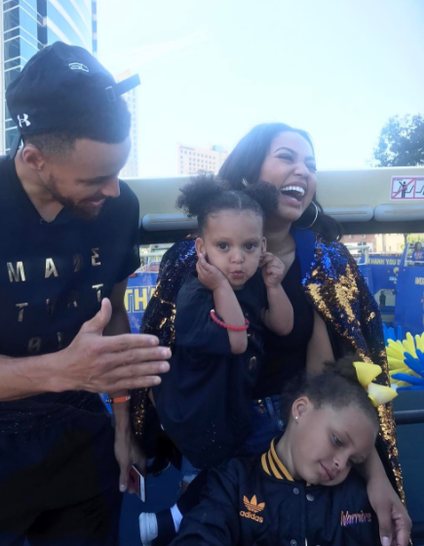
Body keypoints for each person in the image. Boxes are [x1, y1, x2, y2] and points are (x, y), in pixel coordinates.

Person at [137, 123, 411, 546]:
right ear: (250, 173)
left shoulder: (328, 262)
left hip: (297, 436)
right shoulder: (188, 260)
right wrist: (131, 430)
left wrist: (374, 472)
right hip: (211, 429)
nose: (302, 171)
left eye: (311, 164)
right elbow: (152, 351)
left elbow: (333, 377)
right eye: (287, 157)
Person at [0, 42, 170, 545]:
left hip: (80, 431)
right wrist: (64, 370)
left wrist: (123, 425)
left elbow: (114, 316)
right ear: (34, 158)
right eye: (97, 178)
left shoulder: (118, 208)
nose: (114, 192)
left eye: (118, 172)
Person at [140, 177, 293, 544]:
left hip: (231, 407)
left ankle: (172, 521)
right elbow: (237, 341)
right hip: (199, 413)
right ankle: (174, 523)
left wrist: (274, 286)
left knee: (239, 491)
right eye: (223, 246)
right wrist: (222, 287)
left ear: (263, 246)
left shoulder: (253, 282)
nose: (237, 258)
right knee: (206, 494)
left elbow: (282, 326)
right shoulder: (196, 292)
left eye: (249, 246)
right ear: (201, 247)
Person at [171, 357, 396, 546]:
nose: (341, 464)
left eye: (353, 461)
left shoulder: (358, 500)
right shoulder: (232, 483)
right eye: (337, 441)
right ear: (300, 409)